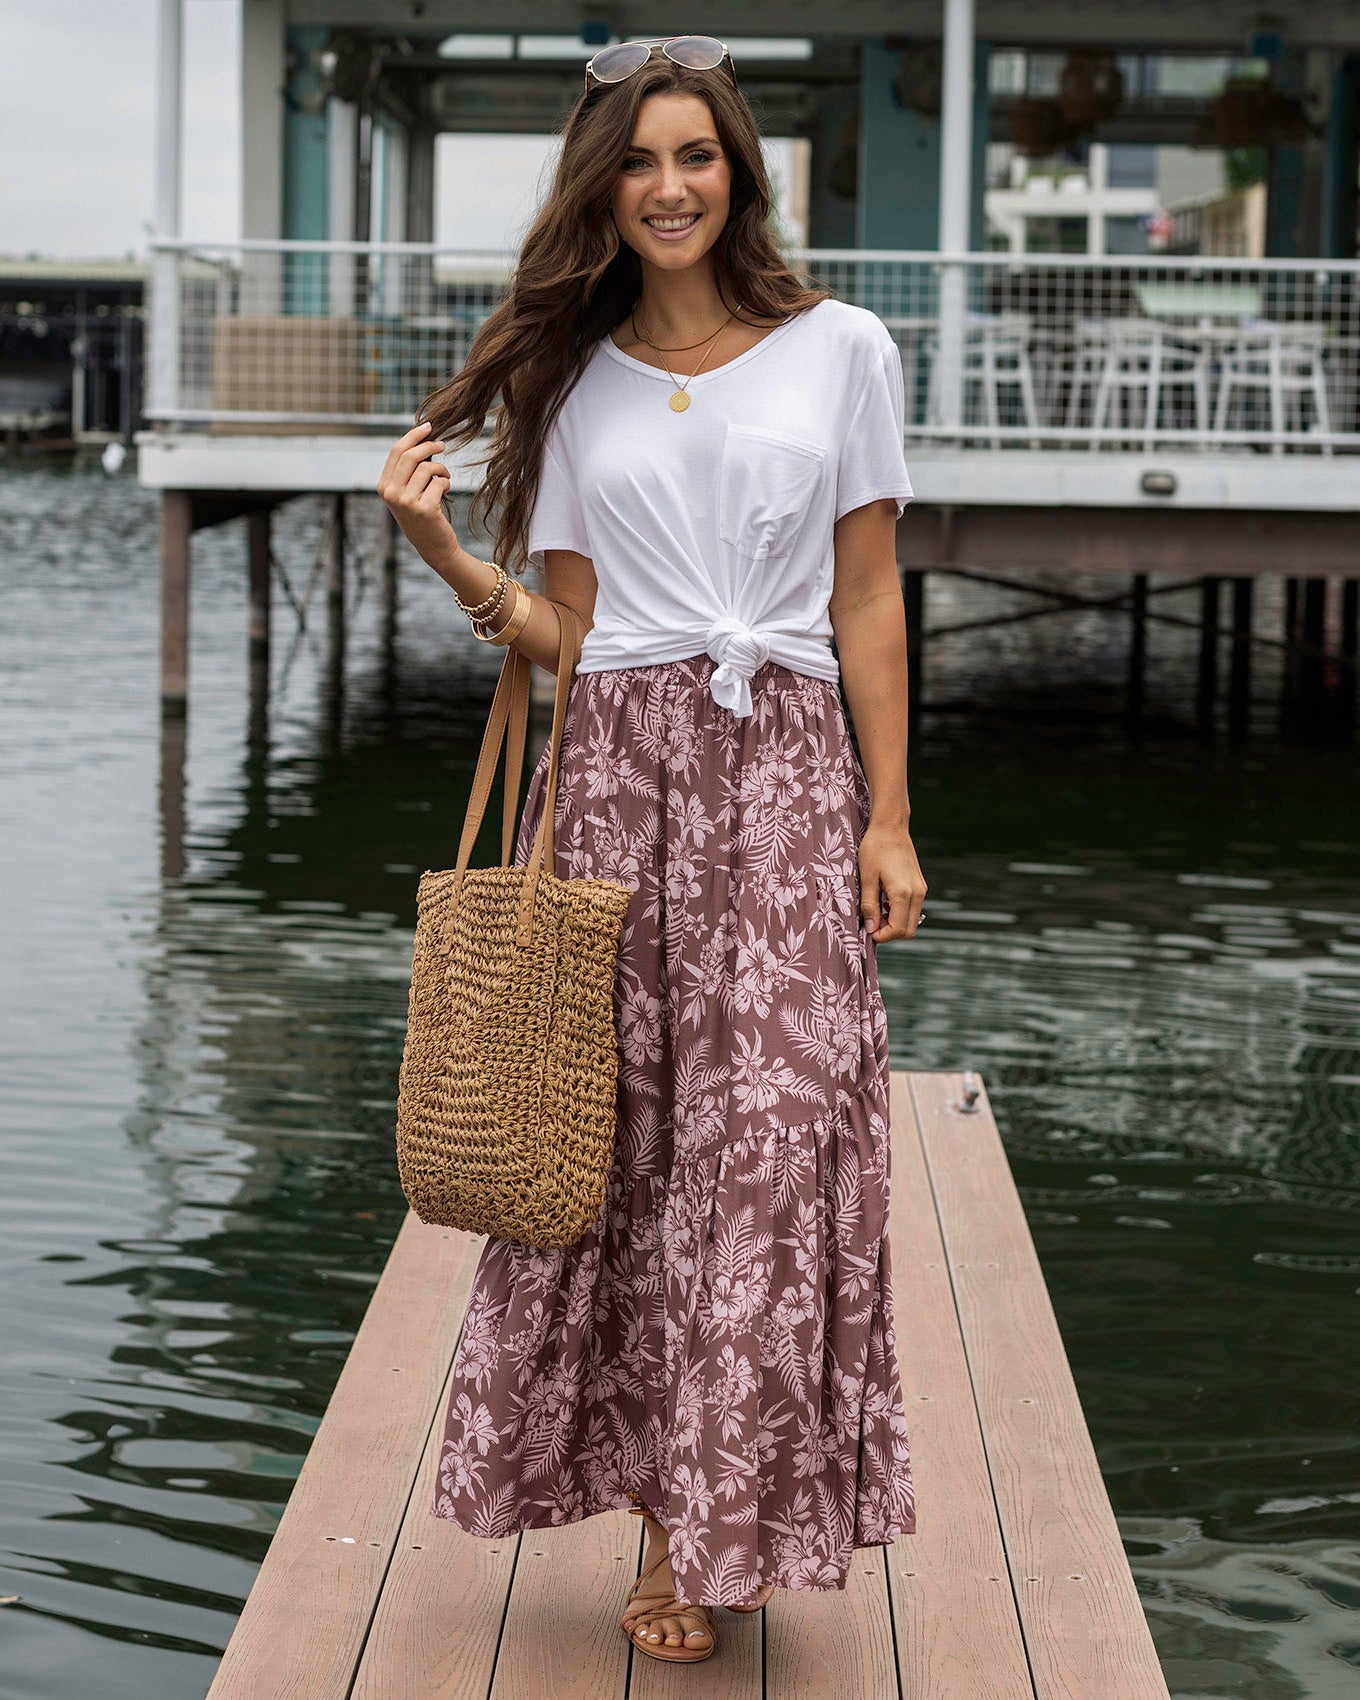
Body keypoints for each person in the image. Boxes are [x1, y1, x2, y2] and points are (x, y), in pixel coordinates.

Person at [376, 32, 927, 1668]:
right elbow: (567, 634)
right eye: (639, 160)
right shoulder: (572, 381)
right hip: (618, 783)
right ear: (601, 189)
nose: (670, 186)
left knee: (776, 1146)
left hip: (786, 785)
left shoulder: (842, 349)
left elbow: (871, 596)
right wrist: (445, 554)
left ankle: (748, 1497)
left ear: (736, 175)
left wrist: (890, 814)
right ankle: (671, 1535)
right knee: (631, 1162)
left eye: (697, 156)